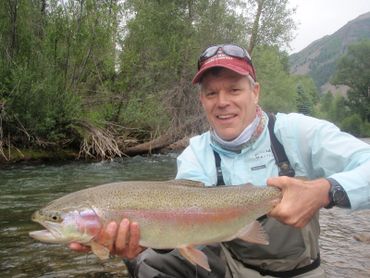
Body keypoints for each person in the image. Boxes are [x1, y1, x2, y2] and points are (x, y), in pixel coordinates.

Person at [70, 44, 370, 277]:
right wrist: (135, 241)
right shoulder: (196, 153)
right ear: (202, 100)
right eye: (211, 93)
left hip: (298, 272)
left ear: (255, 92)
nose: (222, 101)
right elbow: (179, 225)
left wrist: (324, 191)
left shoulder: (299, 132)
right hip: (231, 268)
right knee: (150, 261)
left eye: (234, 89)